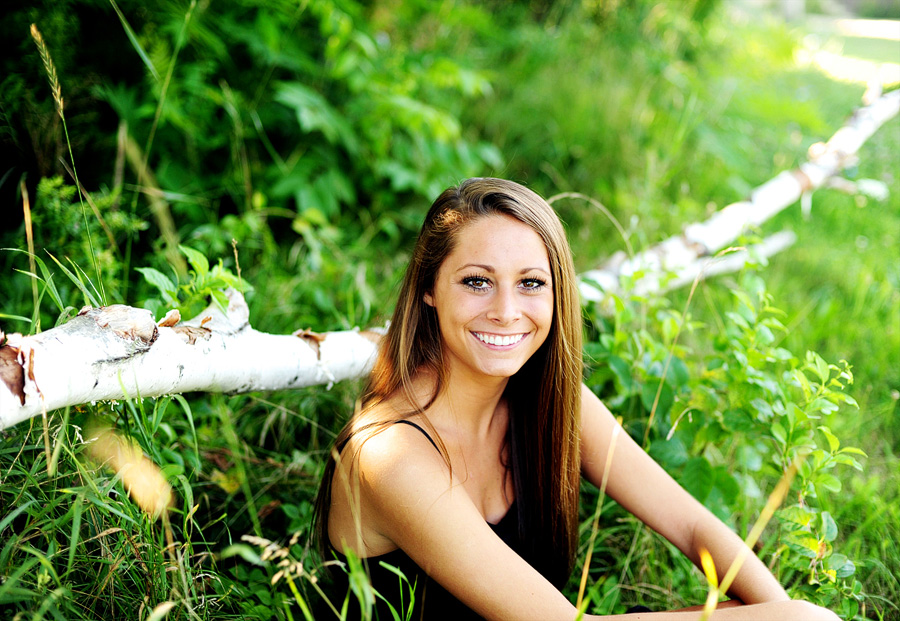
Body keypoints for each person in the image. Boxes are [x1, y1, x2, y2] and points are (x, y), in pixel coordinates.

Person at [313, 178, 838, 620]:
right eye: (477, 282)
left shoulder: (550, 399)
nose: (505, 310)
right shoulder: (389, 454)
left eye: (531, 283)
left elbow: (691, 524)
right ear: (429, 288)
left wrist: (781, 610)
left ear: (557, 293)